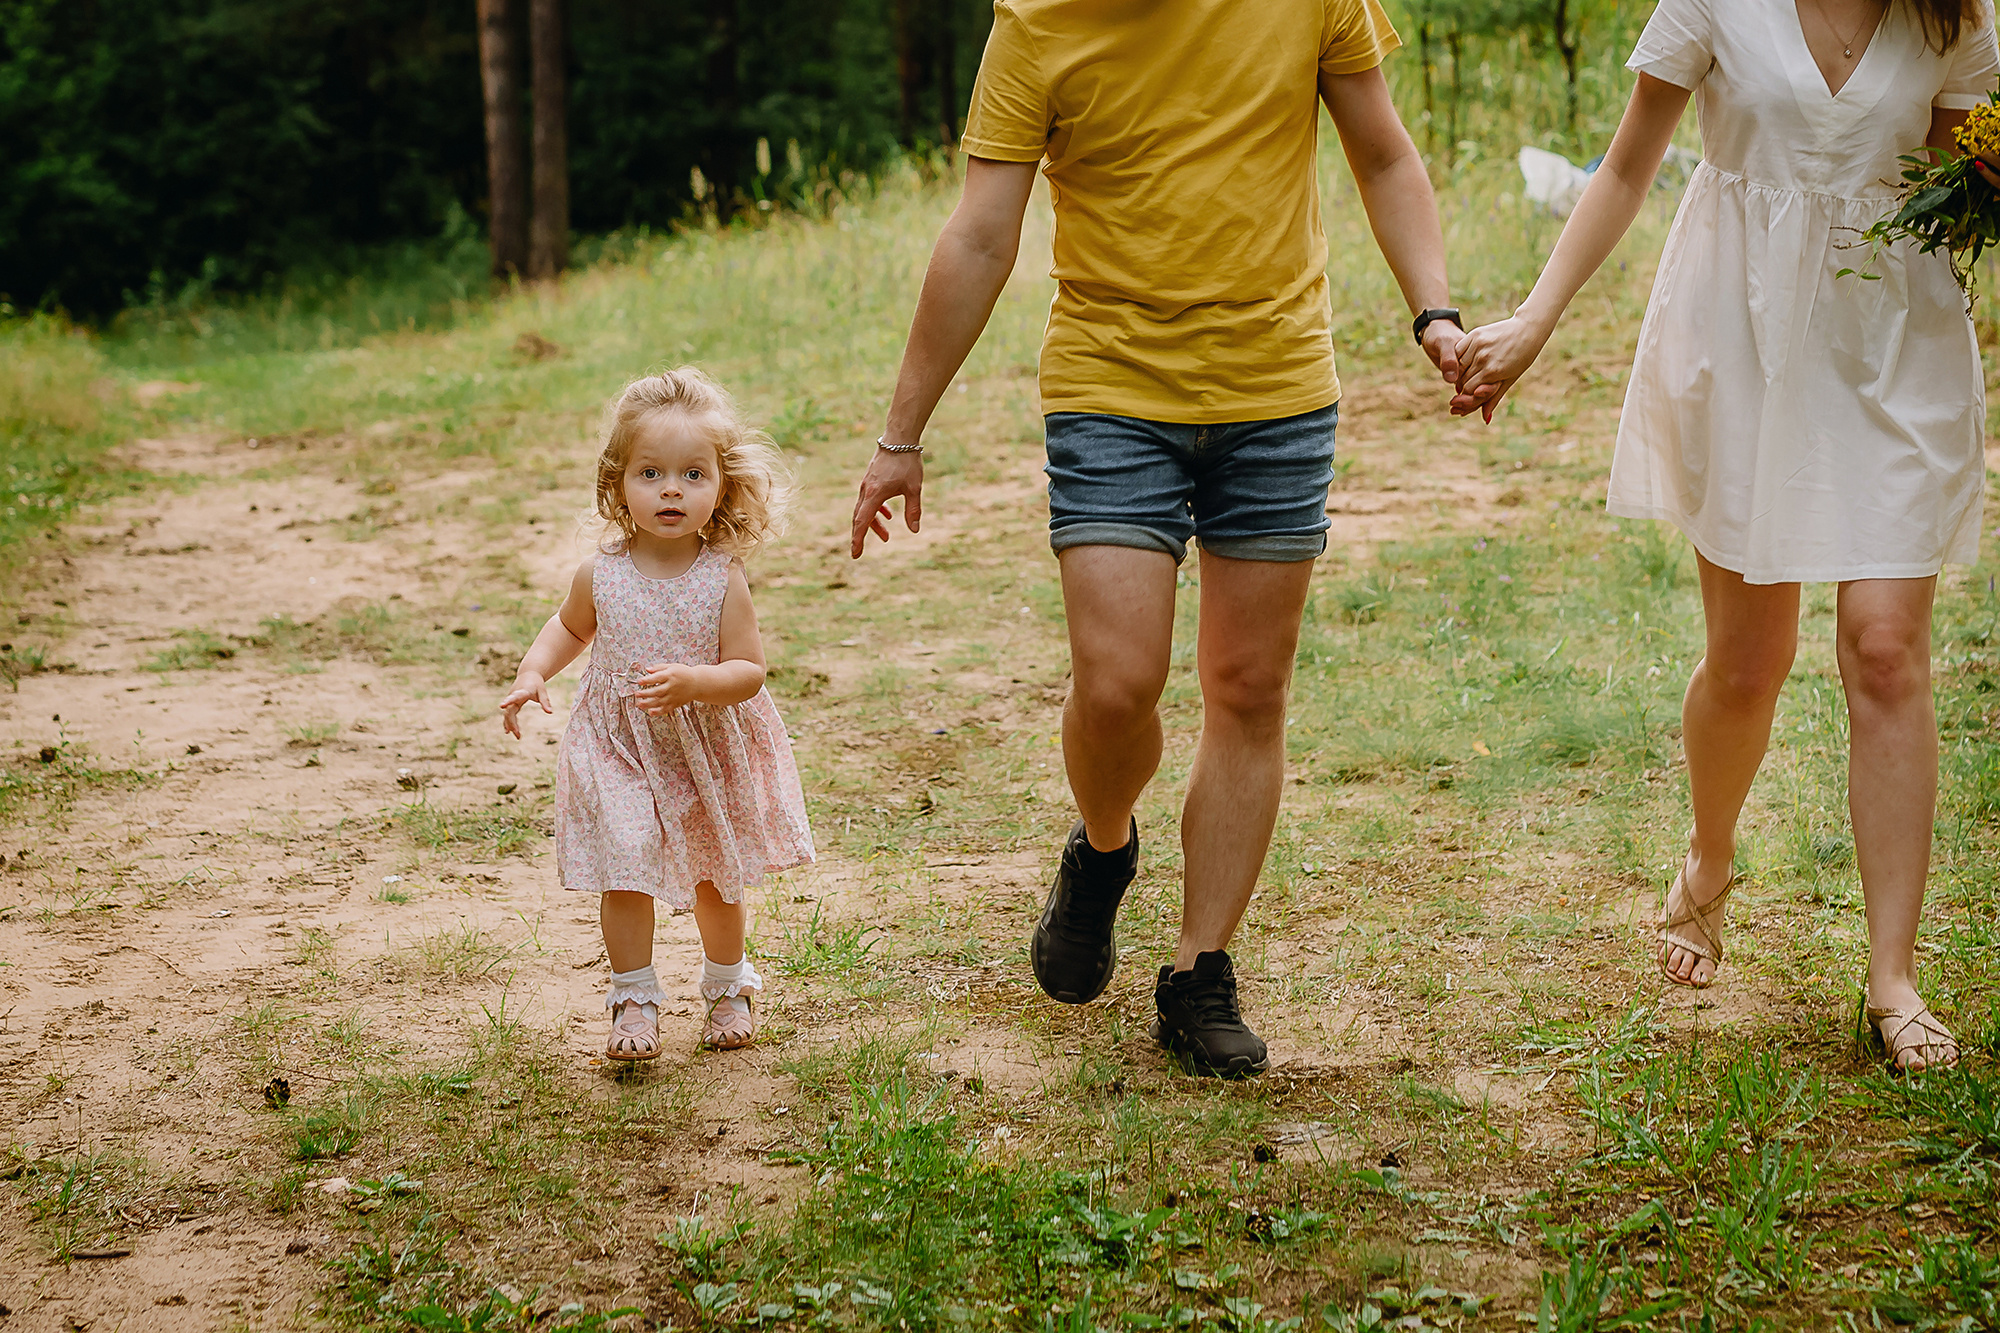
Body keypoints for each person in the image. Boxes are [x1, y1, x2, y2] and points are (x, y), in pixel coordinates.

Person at [849, 0, 1466, 1077]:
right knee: (1117, 680)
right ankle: (1101, 847)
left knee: (1246, 686)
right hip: (1110, 386)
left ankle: (1198, 971)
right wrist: (901, 432)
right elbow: (982, 231)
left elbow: (1380, 152)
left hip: (1275, 389)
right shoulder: (1032, 23)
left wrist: (1433, 312)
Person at [1450, 0, 1998, 1071]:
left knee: (1885, 650)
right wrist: (1531, 320)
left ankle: (1892, 979)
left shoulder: (1950, 16)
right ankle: (1705, 861)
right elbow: (1619, 169)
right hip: (1740, 334)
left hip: (1892, 345)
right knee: (1748, 663)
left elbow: (1962, 182)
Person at [501, 369, 814, 1060]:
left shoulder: (721, 576)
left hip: (700, 743)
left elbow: (749, 670)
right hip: (618, 743)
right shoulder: (600, 572)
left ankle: (728, 984)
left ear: (722, 487)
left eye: (693, 473)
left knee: (712, 873)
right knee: (625, 865)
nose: (671, 488)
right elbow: (568, 629)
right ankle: (634, 996)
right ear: (619, 484)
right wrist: (532, 671)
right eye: (651, 472)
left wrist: (697, 680)